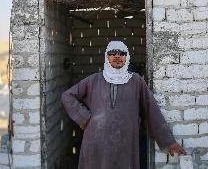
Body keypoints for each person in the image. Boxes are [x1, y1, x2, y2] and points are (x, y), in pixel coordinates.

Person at [61, 41, 186, 169]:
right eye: (112, 53)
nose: (117, 56)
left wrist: (168, 141)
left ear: (127, 57)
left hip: (126, 143)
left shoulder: (136, 81)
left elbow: (151, 110)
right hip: (97, 142)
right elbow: (67, 96)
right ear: (106, 56)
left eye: (122, 53)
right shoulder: (94, 80)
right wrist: (85, 119)